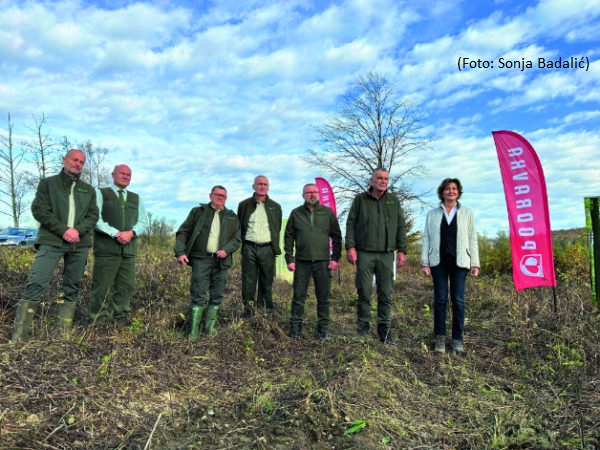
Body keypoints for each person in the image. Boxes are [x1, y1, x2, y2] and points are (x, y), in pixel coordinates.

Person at [11, 149, 99, 342]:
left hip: (79, 244)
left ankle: (62, 334)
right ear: (64, 160)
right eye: (75, 160)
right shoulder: (48, 184)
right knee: (37, 282)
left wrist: (77, 231)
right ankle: (19, 337)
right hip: (51, 241)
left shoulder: (88, 190)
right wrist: (63, 230)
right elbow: (39, 209)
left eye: (82, 162)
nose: (78, 164)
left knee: (72, 286)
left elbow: (93, 215)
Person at [345, 168, 407, 345]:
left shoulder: (393, 201)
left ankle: (385, 333)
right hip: (364, 253)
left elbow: (401, 226)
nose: (383, 181)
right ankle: (363, 331)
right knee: (364, 292)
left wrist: (402, 250)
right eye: (379, 178)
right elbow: (350, 224)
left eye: (386, 179)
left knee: (385, 294)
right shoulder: (360, 200)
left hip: (387, 255)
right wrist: (350, 247)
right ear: (371, 180)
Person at [421, 178, 479, 354]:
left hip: (460, 262)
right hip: (438, 262)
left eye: (454, 189)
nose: (451, 191)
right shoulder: (432, 214)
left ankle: (457, 340)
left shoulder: (467, 213)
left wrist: (474, 263)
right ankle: (439, 339)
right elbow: (426, 238)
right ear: (442, 192)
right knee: (440, 300)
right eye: (447, 189)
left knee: (458, 301)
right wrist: (425, 261)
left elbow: (472, 238)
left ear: (458, 192)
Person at [174, 185, 241, 340]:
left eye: (223, 196)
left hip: (222, 261)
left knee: (217, 294)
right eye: (217, 195)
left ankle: (209, 329)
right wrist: (180, 252)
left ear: (226, 198)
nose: (220, 198)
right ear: (210, 195)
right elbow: (183, 232)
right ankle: (193, 332)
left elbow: (237, 238)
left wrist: (226, 249)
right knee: (198, 293)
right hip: (201, 259)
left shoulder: (232, 216)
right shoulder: (198, 212)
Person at [88, 164, 149, 326]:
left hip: (128, 251)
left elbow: (143, 221)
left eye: (129, 175)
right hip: (106, 250)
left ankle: (121, 318)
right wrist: (115, 233)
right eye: (122, 173)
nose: (125, 177)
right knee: (102, 287)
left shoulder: (136, 198)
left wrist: (131, 233)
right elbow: (95, 218)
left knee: (126, 287)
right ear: (113, 175)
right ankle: (97, 321)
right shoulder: (101, 193)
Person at [284, 183, 342, 340]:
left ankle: (323, 330)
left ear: (318, 194)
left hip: (323, 262)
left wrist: (335, 258)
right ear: (303, 195)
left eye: (314, 192)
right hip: (301, 262)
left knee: (323, 297)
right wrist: (289, 258)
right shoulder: (296, 213)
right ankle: (295, 329)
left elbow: (336, 236)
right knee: (298, 297)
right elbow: (288, 236)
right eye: (308, 192)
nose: (312, 194)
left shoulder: (327, 213)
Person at [237, 175, 282, 317]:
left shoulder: (276, 207)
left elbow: (277, 227)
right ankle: (248, 310)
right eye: (259, 184)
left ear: (268, 187)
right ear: (254, 186)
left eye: (265, 184)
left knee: (266, 280)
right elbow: (240, 225)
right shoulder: (244, 205)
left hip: (267, 248)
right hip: (249, 247)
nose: (262, 186)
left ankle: (264, 310)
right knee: (248, 281)